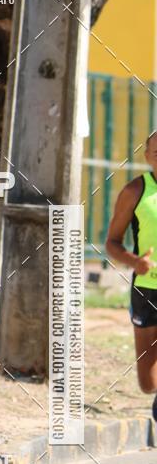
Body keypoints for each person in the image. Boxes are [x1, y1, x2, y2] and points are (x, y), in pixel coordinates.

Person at [106, 130, 157, 420]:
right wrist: (134, 262)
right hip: (147, 288)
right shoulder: (135, 192)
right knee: (148, 383)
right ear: (148, 156)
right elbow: (112, 243)